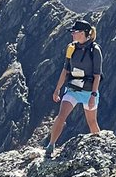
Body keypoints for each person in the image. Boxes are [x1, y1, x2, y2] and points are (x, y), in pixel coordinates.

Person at [44, 18, 103, 157]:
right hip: (73, 89)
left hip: (89, 91)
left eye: (75, 32)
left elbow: (97, 75)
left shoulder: (95, 50)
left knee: (92, 122)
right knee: (61, 115)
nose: (72, 34)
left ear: (83, 33)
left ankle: (100, 147)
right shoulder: (71, 48)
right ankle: (51, 145)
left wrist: (93, 96)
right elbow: (65, 70)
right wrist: (57, 89)